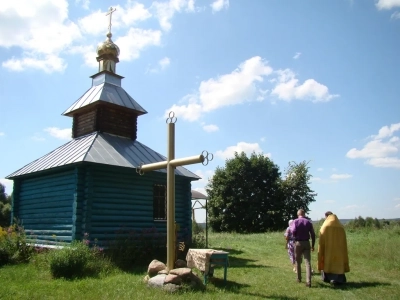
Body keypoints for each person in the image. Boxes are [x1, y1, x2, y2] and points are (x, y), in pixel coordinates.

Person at [318, 213, 350, 285]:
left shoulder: (325, 226)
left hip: (328, 249)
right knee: (338, 262)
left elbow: (322, 239)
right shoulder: (341, 227)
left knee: (328, 262)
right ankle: (339, 279)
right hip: (339, 250)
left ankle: (328, 278)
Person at [292, 209, 315, 288]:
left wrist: (295, 237)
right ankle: (308, 281)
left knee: (298, 261)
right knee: (307, 262)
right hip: (306, 242)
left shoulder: (295, 221)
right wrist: (313, 245)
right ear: (304, 214)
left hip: (298, 242)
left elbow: (293, 231)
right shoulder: (308, 222)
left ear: (298, 214)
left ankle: (299, 278)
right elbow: (313, 234)